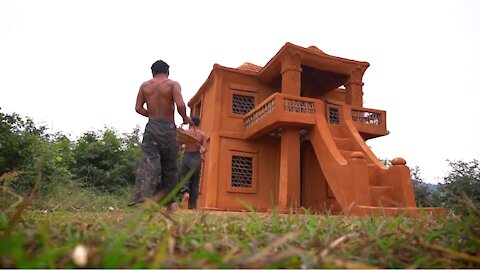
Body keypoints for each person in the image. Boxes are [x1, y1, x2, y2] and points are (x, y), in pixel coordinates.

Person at [128, 60, 193, 207]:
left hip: (151, 127)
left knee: (149, 162)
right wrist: (184, 118)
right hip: (167, 127)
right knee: (169, 165)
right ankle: (168, 202)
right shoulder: (172, 84)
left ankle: (146, 196)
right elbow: (181, 104)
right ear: (168, 72)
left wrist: (151, 115)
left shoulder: (145, 86)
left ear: (152, 72)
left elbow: (138, 108)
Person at [179, 116, 208, 209]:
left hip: (187, 156)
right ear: (199, 124)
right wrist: (201, 152)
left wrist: (183, 147)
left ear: (190, 123)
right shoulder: (202, 134)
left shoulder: (186, 133)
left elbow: (181, 146)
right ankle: (192, 206)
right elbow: (205, 149)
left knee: (184, 176)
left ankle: (185, 192)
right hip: (196, 157)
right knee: (195, 181)